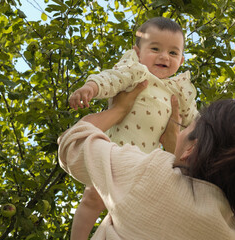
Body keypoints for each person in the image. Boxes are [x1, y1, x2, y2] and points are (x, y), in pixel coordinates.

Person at [58, 82, 235, 240]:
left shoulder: (149, 172)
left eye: (186, 127)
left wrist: (120, 110)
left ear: (192, 148)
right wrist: (176, 151)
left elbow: (72, 142)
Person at [69, 17, 198, 239]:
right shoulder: (135, 72)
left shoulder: (179, 90)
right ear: (137, 52)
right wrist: (90, 87)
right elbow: (111, 78)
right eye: (155, 48)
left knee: (136, 214)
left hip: (146, 164)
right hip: (113, 153)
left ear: (182, 60)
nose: (164, 56)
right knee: (93, 198)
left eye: (173, 53)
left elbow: (195, 122)